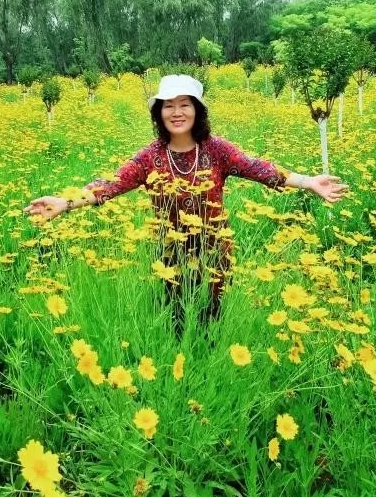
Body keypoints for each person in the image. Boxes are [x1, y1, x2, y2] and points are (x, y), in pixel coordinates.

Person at [23, 74, 348, 335]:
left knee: (211, 321)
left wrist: (309, 181)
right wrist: (65, 202)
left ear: (197, 110)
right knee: (175, 321)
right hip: (170, 254)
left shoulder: (217, 150)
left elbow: (258, 167)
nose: (176, 112)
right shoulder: (150, 156)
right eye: (168, 106)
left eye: (184, 105)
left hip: (213, 251)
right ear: (158, 113)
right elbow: (112, 184)